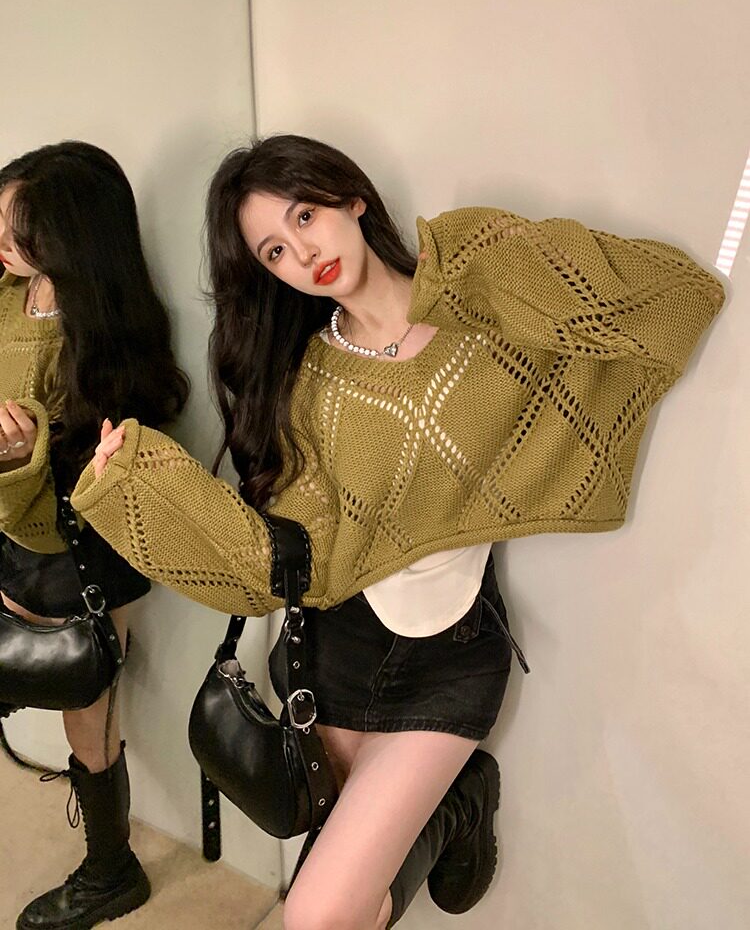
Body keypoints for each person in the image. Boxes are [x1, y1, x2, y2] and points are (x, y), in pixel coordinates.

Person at [76, 134, 724, 929]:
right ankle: (449, 815)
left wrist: (479, 264)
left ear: (353, 198)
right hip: (335, 658)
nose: (302, 253)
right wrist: (142, 486)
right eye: (273, 250)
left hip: (449, 663)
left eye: (305, 216)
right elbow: (283, 562)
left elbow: (670, 301)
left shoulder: (479, 300)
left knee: (314, 915)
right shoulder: (306, 383)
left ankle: (456, 807)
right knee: (342, 909)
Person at [0, 140, 189, 930]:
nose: (3, 244)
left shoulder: (105, 336)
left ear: (73, 239)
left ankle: (111, 871)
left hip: (72, 549)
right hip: (12, 531)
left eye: (20, 231)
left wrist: (21, 456)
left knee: (87, 709)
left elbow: (97, 486)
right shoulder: (10, 296)